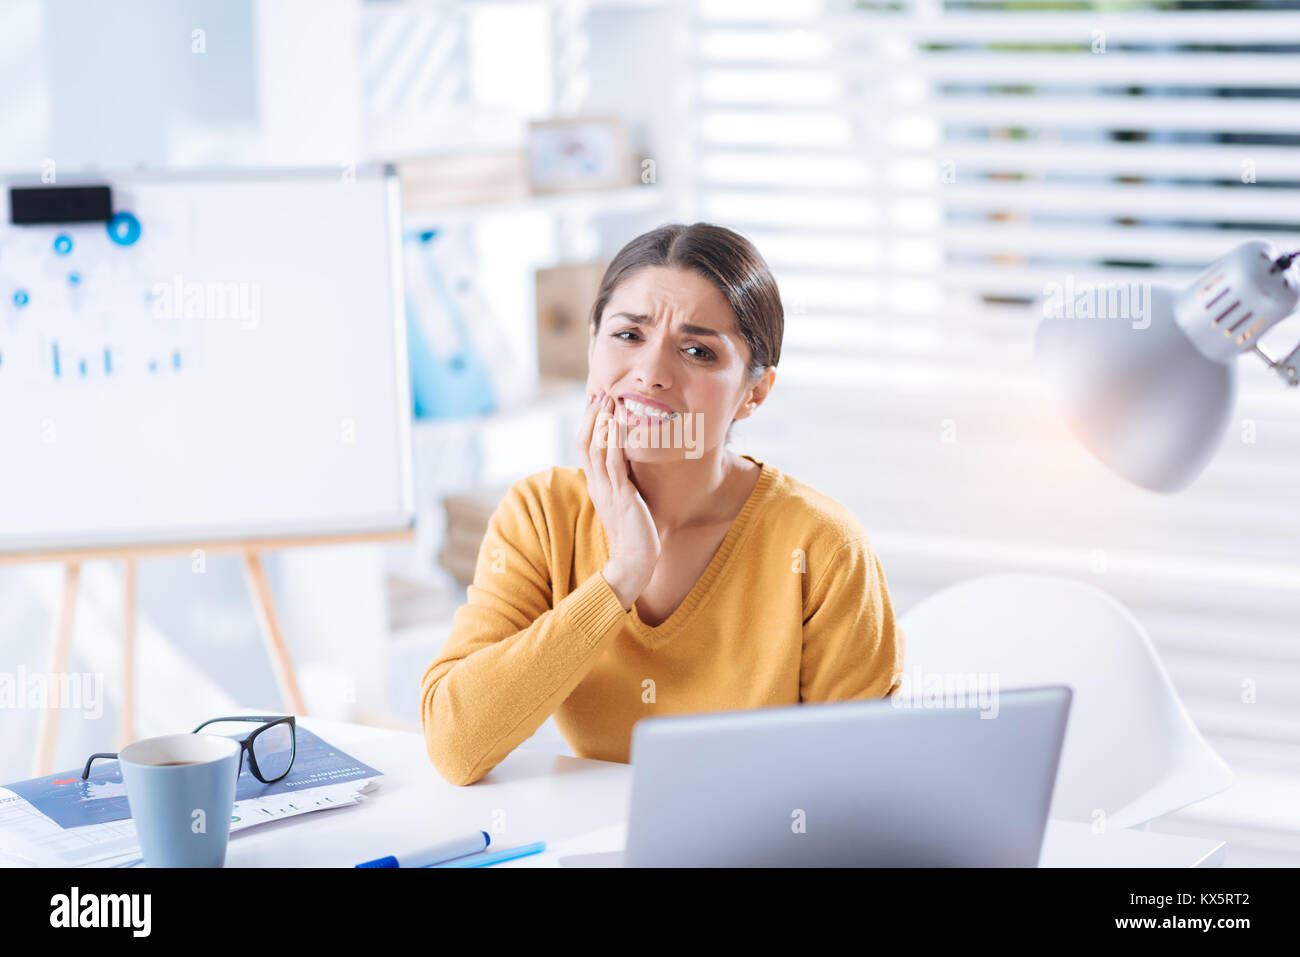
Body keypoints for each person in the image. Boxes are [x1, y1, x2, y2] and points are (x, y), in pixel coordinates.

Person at [420, 222, 905, 786]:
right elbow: (456, 747)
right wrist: (622, 575)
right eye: (628, 336)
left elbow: (860, 788)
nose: (650, 374)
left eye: (698, 351)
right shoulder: (541, 514)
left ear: (755, 392)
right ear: (592, 348)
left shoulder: (822, 544)